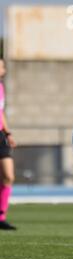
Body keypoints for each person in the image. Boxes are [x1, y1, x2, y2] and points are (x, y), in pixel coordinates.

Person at [0, 59, 16, 231]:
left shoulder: (1, 87)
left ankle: (1, 216)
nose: (3, 70)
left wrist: (8, 133)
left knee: (8, 176)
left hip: (0, 135)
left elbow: (1, 111)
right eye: (1, 67)